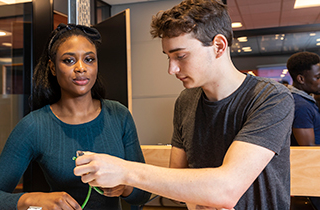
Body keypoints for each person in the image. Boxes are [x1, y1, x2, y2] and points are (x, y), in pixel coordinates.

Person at [73, 0, 294, 209]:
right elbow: (177, 179)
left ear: (218, 46)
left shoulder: (270, 98)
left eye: (181, 56)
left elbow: (227, 188)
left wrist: (124, 171)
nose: (172, 69)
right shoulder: (186, 101)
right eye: (168, 57)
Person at [0, 23, 150, 210]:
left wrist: (125, 187)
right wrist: (33, 200)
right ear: (52, 67)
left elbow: (143, 193)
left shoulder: (119, 115)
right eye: (69, 60)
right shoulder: (34, 126)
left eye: (89, 59)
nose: (81, 68)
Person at [287, 51, 320, 210]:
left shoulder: (305, 101)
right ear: (301, 79)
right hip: (312, 182)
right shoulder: (301, 106)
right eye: (317, 77)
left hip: (316, 179)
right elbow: (308, 150)